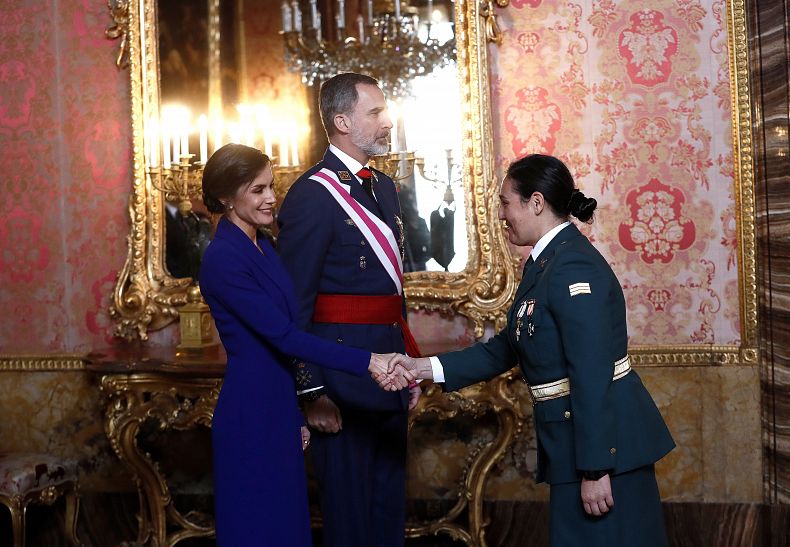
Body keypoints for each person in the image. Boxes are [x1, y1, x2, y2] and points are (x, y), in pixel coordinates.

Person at [394, 154, 676, 546]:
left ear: (536, 202)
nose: (501, 214)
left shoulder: (574, 268)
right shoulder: (546, 264)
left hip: (605, 455)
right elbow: (504, 349)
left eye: (506, 202)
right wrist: (421, 368)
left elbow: (591, 374)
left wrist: (594, 470)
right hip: (572, 450)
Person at [198, 143, 411, 546]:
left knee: (290, 527)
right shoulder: (222, 257)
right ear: (226, 197)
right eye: (258, 190)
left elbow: (294, 318)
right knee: (258, 527)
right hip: (252, 409)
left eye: (271, 187)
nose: (271, 199)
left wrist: (297, 413)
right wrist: (367, 360)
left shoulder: (264, 245)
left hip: (279, 402)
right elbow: (284, 335)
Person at [277, 72, 421, 547]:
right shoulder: (311, 195)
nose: (387, 121)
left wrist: (410, 365)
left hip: (389, 368)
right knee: (350, 518)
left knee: (387, 511)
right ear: (341, 121)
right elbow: (294, 303)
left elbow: (392, 293)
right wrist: (311, 389)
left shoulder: (384, 187)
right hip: (339, 379)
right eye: (375, 112)